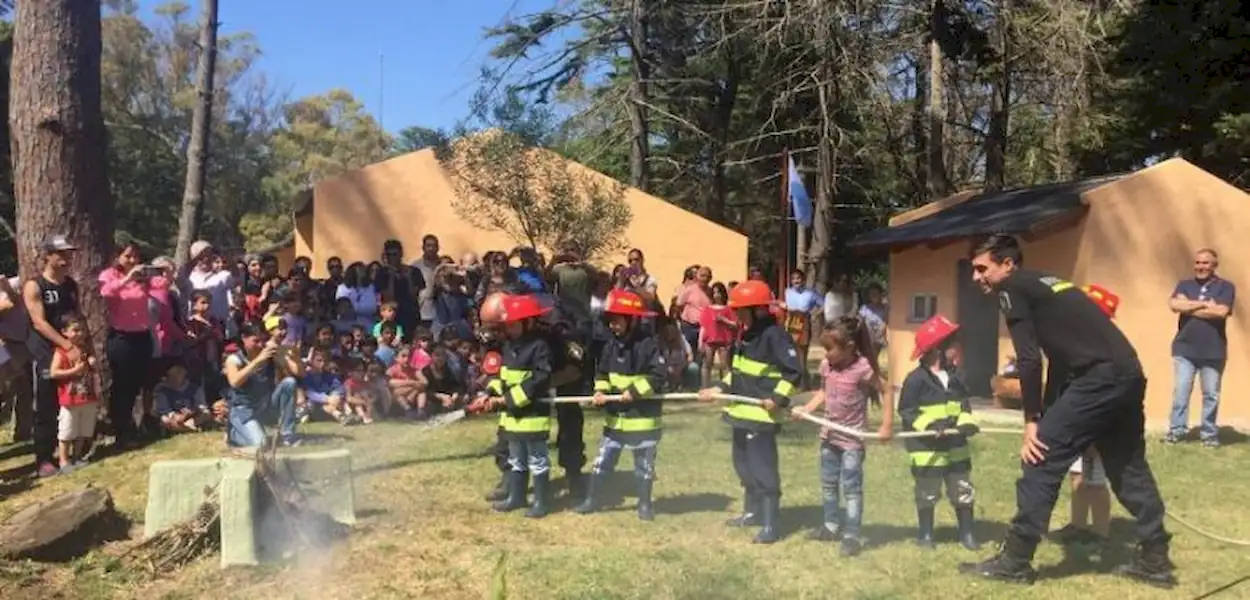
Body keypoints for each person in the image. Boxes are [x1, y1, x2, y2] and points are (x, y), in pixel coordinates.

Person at [958, 234, 1173, 588]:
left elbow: (1029, 360)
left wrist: (1031, 422)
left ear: (1007, 264)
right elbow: (1059, 358)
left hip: (1098, 378)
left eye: (982, 268)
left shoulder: (1013, 288)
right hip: (1128, 374)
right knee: (1127, 465)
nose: (976, 277)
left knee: (1039, 458)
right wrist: (1050, 412)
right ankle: (1155, 558)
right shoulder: (1048, 283)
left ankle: (1015, 561)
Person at [697, 280, 803, 544]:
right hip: (740, 414)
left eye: (742, 310)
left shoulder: (775, 335)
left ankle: (770, 524)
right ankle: (752, 512)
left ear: (758, 310)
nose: (738, 316)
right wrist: (719, 388)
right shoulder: (746, 335)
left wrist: (777, 398)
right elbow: (739, 372)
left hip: (761, 417)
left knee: (763, 469)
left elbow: (794, 372)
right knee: (742, 465)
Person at [792, 316, 891, 557]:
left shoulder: (863, 369)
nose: (825, 355)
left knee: (851, 489)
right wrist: (806, 409)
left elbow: (887, 390)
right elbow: (824, 393)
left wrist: (886, 425)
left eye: (829, 349)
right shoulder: (827, 367)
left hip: (851, 442)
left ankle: (852, 535)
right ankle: (831, 526)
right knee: (828, 485)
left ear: (849, 347)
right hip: (829, 436)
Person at [574, 289, 667, 521]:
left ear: (633, 320)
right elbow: (603, 373)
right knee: (602, 462)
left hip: (642, 420)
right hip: (615, 421)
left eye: (617, 321)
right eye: (610, 321)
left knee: (643, 466)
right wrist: (599, 391)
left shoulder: (649, 345)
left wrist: (634, 392)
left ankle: (645, 504)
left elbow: (658, 376)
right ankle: (592, 499)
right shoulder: (610, 346)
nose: (613, 326)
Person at [897, 315, 980, 551]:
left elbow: (964, 405)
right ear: (937, 349)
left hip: (956, 446)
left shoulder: (957, 377)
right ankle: (925, 534)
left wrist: (966, 422)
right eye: (954, 344)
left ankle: (967, 533)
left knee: (962, 488)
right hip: (927, 449)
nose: (959, 349)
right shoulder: (916, 380)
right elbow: (907, 411)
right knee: (927, 491)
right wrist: (931, 427)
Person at [1053, 284, 1120, 549]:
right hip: (1076, 421)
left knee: (1096, 479)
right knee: (1077, 475)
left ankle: (1101, 533)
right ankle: (1078, 525)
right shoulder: (1077, 344)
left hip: (1099, 424)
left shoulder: (1109, 349)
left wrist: (1094, 432)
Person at [482, 294, 555, 518]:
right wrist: (492, 392)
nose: (509, 329)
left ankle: (541, 502)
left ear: (528, 322)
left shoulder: (539, 347)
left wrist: (510, 399)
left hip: (532, 416)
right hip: (513, 418)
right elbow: (503, 376)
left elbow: (540, 379)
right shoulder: (509, 346)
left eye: (513, 324)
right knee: (516, 459)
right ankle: (517, 497)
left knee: (537, 460)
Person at [24, 235, 82, 477]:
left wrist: (80, 346)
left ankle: (67, 453)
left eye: (69, 253)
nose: (67, 258)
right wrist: (65, 345)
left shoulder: (70, 285)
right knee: (46, 405)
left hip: (69, 348)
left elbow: (77, 316)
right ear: (48, 255)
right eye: (61, 253)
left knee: (71, 402)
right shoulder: (35, 285)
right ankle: (44, 459)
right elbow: (39, 322)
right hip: (45, 352)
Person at [223, 322, 303, 448]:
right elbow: (235, 382)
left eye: (263, 340)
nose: (260, 345)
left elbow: (298, 373)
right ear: (244, 338)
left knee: (289, 383)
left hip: (266, 405)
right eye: (256, 341)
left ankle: (288, 435)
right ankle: (234, 433)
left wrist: (296, 357)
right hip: (245, 410)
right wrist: (258, 361)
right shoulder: (234, 359)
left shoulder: (270, 354)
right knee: (260, 444)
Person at [49, 314, 100, 473]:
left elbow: (94, 368)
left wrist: (93, 363)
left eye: (82, 330)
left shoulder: (86, 349)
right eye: (75, 330)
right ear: (64, 332)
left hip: (88, 396)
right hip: (69, 399)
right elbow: (54, 372)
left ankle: (77, 456)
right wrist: (74, 370)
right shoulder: (61, 351)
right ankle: (64, 460)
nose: (79, 333)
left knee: (83, 430)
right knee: (67, 431)